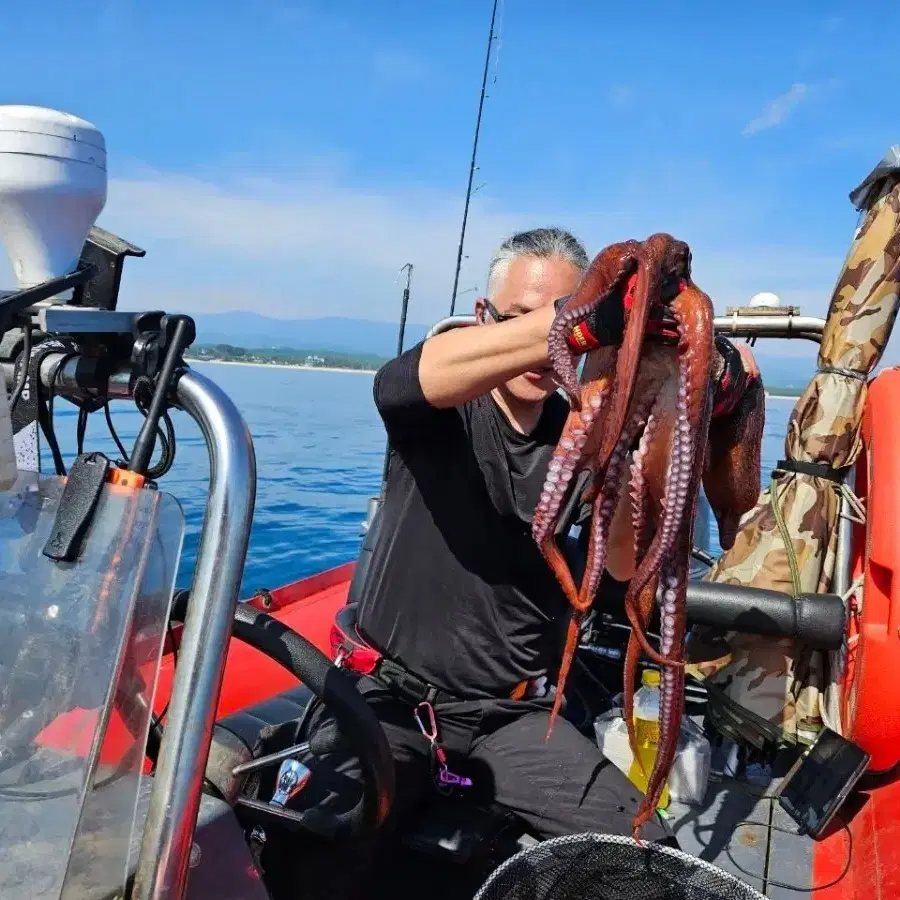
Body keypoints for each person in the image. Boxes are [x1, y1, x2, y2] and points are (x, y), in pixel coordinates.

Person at [260, 227, 756, 898]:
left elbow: (618, 572)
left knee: (647, 868)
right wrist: (583, 320)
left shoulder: (580, 433)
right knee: (311, 848)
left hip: (515, 717)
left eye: (568, 313)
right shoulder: (438, 412)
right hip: (390, 703)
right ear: (483, 320)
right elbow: (399, 383)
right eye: (519, 317)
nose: (545, 342)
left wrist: (670, 412)